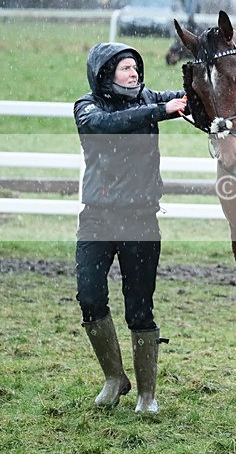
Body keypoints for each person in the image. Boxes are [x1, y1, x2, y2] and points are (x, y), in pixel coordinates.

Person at [73, 42, 187, 413]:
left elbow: (192, 96)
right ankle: (114, 378)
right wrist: (159, 111)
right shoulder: (87, 108)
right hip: (97, 218)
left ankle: (147, 395)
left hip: (140, 217)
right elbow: (111, 125)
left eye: (135, 67)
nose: (134, 72)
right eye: (125, 68)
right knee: (89, 296)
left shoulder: (149, 99)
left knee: (140, 308)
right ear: (105, 74)